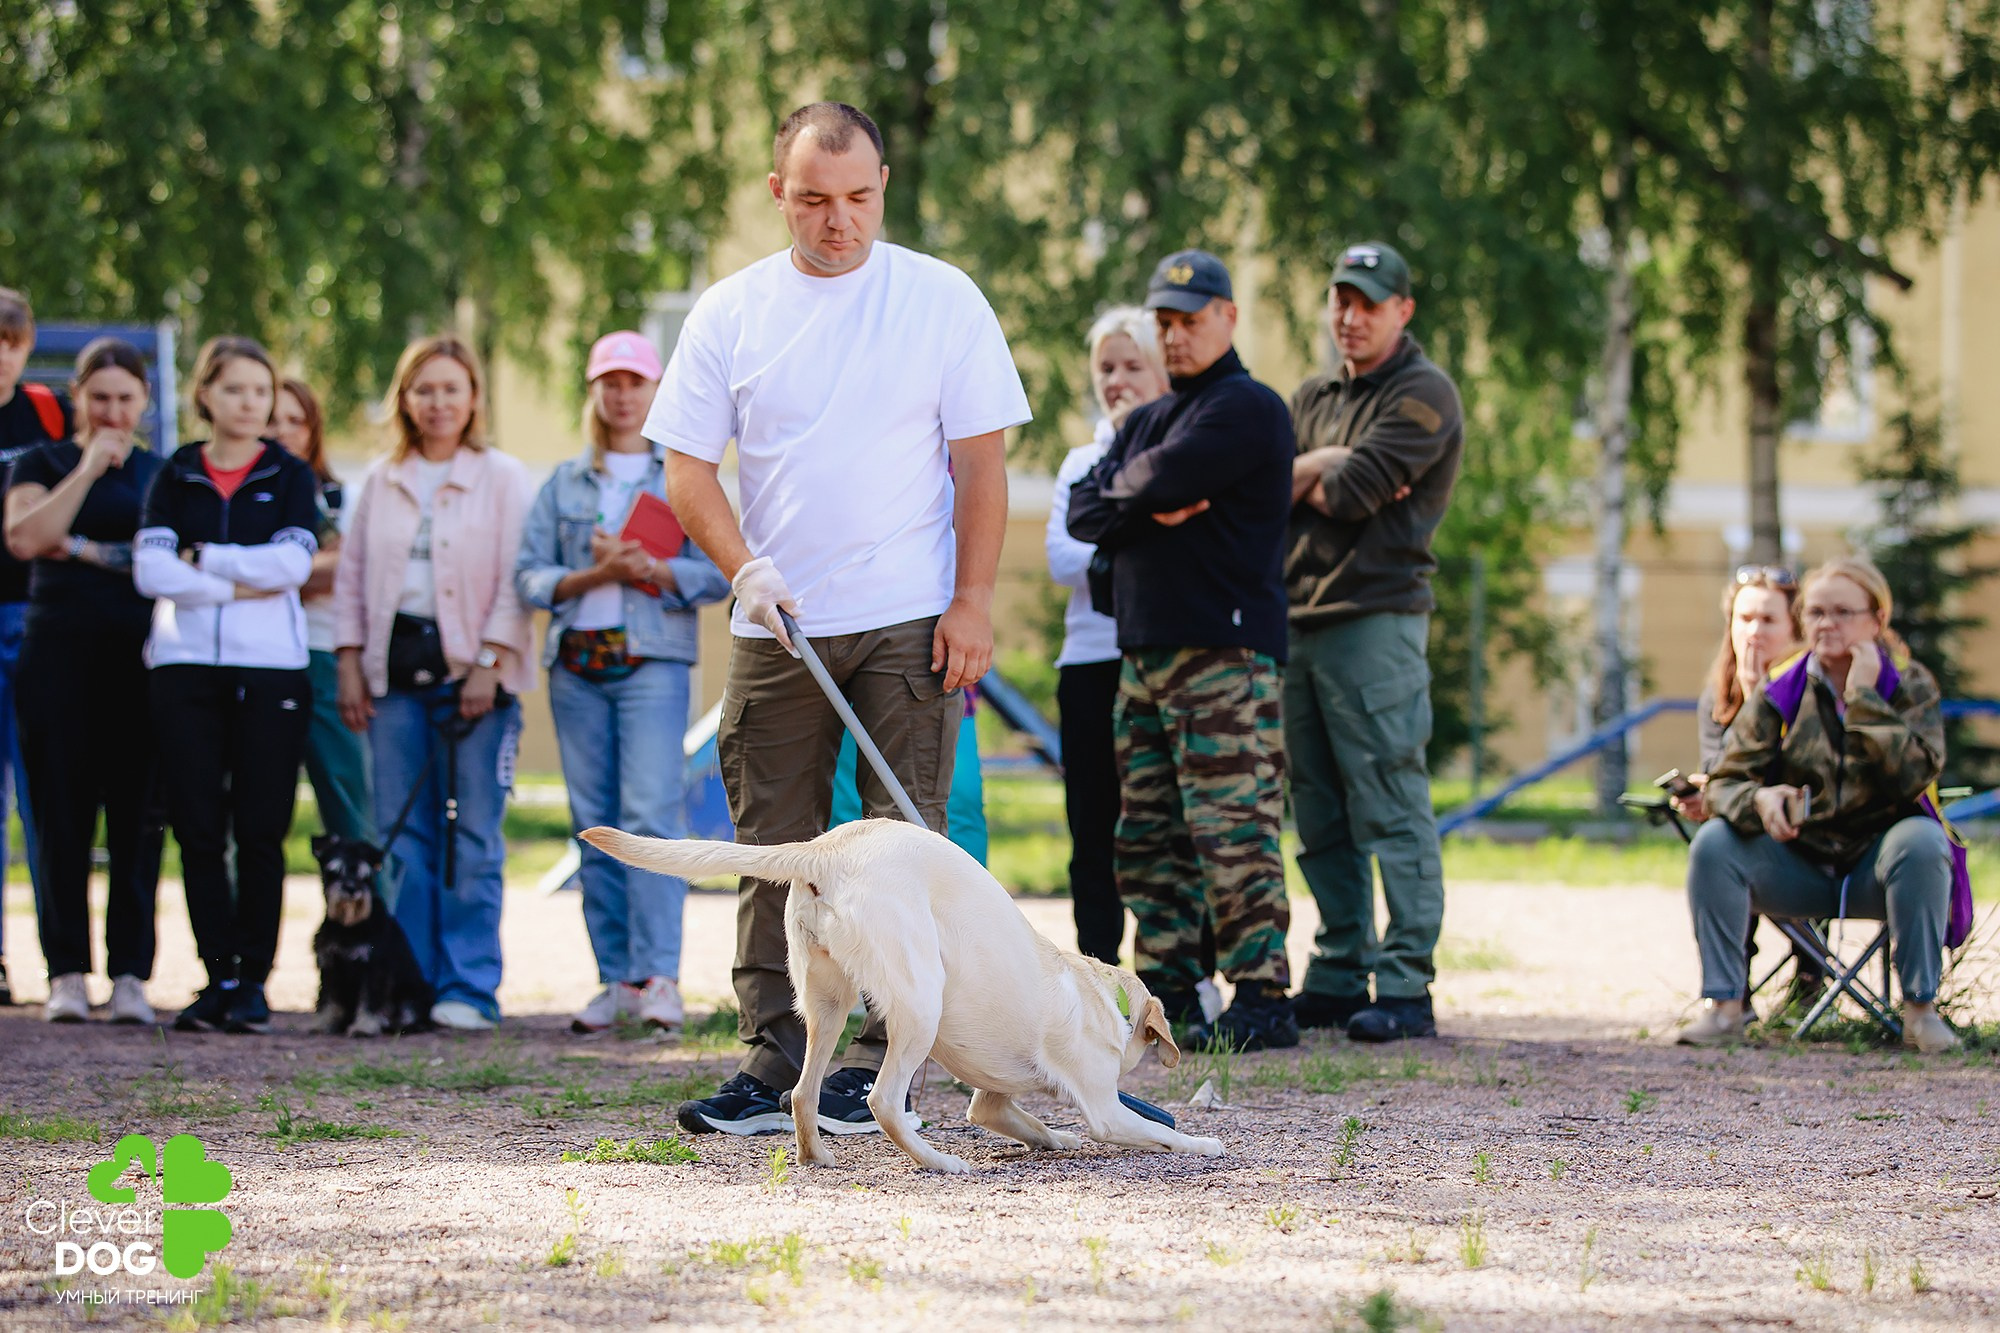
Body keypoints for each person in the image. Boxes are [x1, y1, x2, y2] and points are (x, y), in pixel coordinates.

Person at [651, 102, 1030, 1135]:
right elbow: (686, 470)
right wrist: (746, 571)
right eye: (813, 200)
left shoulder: (941, 299)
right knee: (771, 846)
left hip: (911, 621)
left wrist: (971, 598)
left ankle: (879, 1067)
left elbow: (980, 463)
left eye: (858, 198)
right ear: (777, 192)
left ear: (884, 185)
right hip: (779, 625)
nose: (837, 221)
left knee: (900, 849)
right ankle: (776, 1064)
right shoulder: (729, 312)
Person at [1065, 248, 1298, 1052]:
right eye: (1163, 322)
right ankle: (1165, 993)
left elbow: (1142, 485)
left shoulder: (1249, 409)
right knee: (1149, 834)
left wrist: (1135, 492)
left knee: (1232, 828)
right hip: (1144, 657)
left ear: (1228, 317)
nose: (1174, 337)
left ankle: (1261, 993)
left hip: (1223, 657)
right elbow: (1082, 507)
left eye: (1189, 321)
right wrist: (1142, 496)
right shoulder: (1151, 419)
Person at [516, 330, 728, 1036]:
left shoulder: (681, 477)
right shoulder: (563, 483)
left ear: (655, 389)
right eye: (609, 380)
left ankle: (659, 976)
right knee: (595, 823)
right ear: (593, 391)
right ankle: (615, 978)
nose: (622, 393)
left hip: (651, 668)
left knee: (650, 815)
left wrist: (651, 570)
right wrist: (592, 576)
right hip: (578, 666)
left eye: (634, 381)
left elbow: (716, 572)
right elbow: (530, 575)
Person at [1282, 242, 1462, 1044]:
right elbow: (1268, 493)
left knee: (1390, 801)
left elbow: (1352, 496)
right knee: (1318, 809)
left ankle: (1406, 982)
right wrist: (1318, 465)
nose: (1349, 317)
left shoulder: (1425, 392)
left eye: (1369, 302)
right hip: (1301, 618)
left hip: (1376, 618)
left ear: (1402, 310)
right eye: (1340, 300)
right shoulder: (1313, 395)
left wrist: (1315, 475)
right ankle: (1335, 970)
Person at [334, 335, 534, 1032]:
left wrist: (487, 661)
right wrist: (349, 659)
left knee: (473, 834)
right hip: (393, 678)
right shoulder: (381, 479)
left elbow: (520, 574)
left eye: (451, 388)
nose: (438, 402)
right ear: (405, 400)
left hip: (476, 676)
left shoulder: (503, 476)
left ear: (472, 397)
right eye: (424, 389)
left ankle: (470, 985)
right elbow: (353, 576)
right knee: (402, 836)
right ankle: (408, 982)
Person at [1680, 557, 1960, 1054]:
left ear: (1876, 618)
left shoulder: (1908, 684)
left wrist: (1866, 698)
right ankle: (1725, 1008)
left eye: (1842, 612)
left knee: (1922, 838)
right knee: (1715, 843)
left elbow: (1915, 776)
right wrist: (1758, 798)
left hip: (1878, 868)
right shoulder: (1782, 688)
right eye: (1815, 613)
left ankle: (1920, 1010)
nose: (1826, 624)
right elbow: (1723, 782)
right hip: (1798, 866)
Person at [134, 336, 321, 1033]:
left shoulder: (290, 473)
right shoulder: (174, 473)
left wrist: (205, 558)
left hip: (270, 671)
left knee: (261, 829)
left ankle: (254, 981)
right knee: (199, 829)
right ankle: (218, 974)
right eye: (235, 389)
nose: (250, 403)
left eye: (261, 391)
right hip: (184, 671)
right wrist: (241, 579)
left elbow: (293, 566)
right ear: (205, 394)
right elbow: (151, 572)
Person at [3, 337, 167, 1023]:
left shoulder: (164, 473)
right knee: (59, 815)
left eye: (125, 399)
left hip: (140, 660)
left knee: (138, 817)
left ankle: (131, 972)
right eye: (99, 398)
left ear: (144, 402)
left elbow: (168, 558)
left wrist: (78, 548)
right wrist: (88, 472)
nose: (112, 410)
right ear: (76, 397)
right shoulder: (41, 461)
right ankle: (66, 970)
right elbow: (26, 538)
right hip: (56, 655)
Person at [1045, 306, 1170, 965]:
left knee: (1160, 822)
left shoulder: (1180, 454)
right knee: (1092, 823)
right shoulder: (1080, 462)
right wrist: (1128, 557)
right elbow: (1062, 556)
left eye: (1132, 365)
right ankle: (1097, 968)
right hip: (1090, 661)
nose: (1117, 380)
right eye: (1105, 368)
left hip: (1160, 657)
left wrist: (1109, 549)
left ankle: (1176, 969)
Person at [1672, 565, 1825, 1011]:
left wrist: (1766, 700)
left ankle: (1810, 981)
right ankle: (1732, 993)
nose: (1754, 632)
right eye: (1744, 619)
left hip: (1810, 836)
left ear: (1796, 629)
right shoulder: (1716, 696)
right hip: (1744, 830)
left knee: (1757, 830)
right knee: (1725, 837)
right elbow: (1722, 773)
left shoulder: (1818, 691)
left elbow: (1813, 778)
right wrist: (1705, 792)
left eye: (1769, 620)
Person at [271, 377, 374, 844]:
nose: (283, 431)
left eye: (296, 421)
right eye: (273, 420)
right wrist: (307, 570)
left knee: (351, 806)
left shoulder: (341, 499)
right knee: (252, 812)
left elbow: (353, 567)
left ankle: (367, 912)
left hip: (324, 655)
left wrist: (262, 573)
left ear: (314, 431)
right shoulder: (237, 497)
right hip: (258, 659)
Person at [0, 287, 64, 1006]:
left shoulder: (47, 414)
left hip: (39, 617)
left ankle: (63, 965)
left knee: (44, 800)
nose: (0, 354)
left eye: (11, 341)